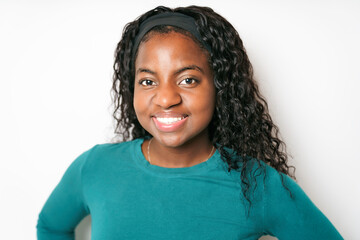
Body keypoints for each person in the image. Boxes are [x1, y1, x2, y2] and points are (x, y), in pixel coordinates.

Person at [36, 5, 343, 240]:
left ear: (219, 86)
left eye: (188, 79)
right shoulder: (94, 168)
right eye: (147, 81)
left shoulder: (258, 184)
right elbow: (51, 225)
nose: (166, 98)